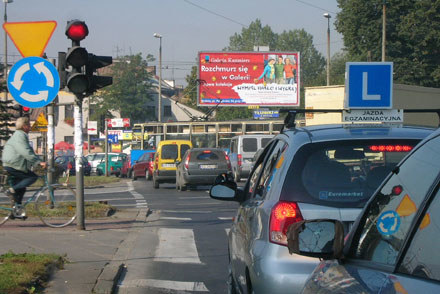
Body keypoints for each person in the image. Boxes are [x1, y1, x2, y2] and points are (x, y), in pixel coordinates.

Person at [2, 117, 46, 207]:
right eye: (29, 125)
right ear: (24, 126)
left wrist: (37, 162)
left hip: (11, 164)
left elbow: (29, 151)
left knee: (21, 188)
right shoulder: (20, 136)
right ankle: (10, 190)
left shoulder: (19, 135)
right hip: (14, 164)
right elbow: (25, 151)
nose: (30, 127)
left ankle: (16, 210)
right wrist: (38, 162)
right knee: (32, 177)